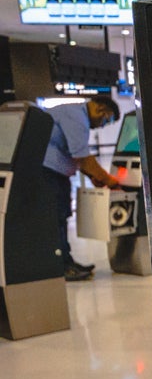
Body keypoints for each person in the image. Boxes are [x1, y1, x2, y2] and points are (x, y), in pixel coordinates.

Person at [42, 95, 122, 280]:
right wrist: (110, 181)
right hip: (49, 174)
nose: (103, 125)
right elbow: (83, 158)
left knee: (60, 218)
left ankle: (67, 261)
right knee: (58, 219)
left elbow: (75, 156)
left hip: (55, 173)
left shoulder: (73, 113)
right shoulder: (77, 117)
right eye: (107, 119)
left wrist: (93, 176)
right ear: (101, 109)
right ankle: (63, 266)